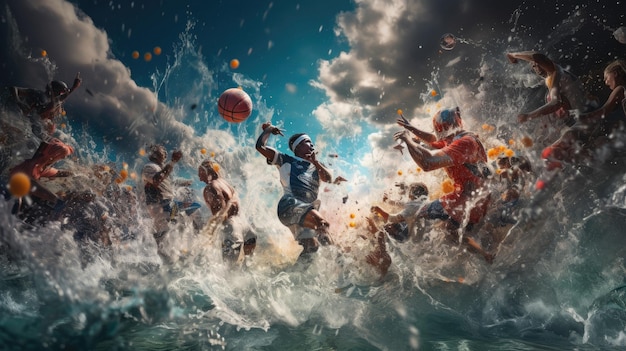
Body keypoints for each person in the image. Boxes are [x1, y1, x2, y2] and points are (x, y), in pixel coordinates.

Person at [394, 107, 494, 263]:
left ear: (445, 128)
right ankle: (485, 255)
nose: (437, 134)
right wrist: (412, 129)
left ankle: (404, 249)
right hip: (477, 200)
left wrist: (407, 140)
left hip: (465, 200)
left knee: (420, 214)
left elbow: (428, 163)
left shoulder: (465, 143)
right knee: (450, 232)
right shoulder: (460, 137)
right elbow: (433, 140)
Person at [255, 122, 334, 260]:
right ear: (298, 147)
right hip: (290, 205)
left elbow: (328, 178)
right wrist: (267, 130)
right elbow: (260, 147)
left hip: (304, 211)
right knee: (322, 224)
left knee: (311, 248)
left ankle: (295, 276)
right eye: (308, 142)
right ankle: (339, 261)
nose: (312, 145)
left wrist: (315, 162)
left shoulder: (316, 166)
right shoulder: (285, 159)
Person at [542, 59, 626, 167]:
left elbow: (603, 111)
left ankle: (551, 153)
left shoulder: (620, 89)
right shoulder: (621, 90)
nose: (605, 82)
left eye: (606, 78)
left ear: (615, 74)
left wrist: (578, 116)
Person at [506, 51, 591, 145]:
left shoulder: (556, 72)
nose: (537, 68)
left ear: (547, 62)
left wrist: (513, 55)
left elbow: (555, 103)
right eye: (534, 66)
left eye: (538, 64)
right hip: (569, 124)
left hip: (578, 124)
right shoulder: (551, 78)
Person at [198, 159, 257, 263]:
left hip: (232, 230)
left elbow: (222, 214)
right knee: (247, 268)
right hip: (247, 228)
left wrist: (209, 232)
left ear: (206, 171)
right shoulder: (225, 183)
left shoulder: (210, 187)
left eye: (200, 173)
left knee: (229, 274)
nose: (199, 178)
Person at [141, 144, 190, 259]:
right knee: (166, 232)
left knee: (179, 226)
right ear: (154, 154)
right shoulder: (149, 167)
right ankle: (165, 260)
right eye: (162, 150)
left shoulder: (160, 169)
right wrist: (172, 162)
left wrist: (182, 183)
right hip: (160, 205)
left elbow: (166, 183)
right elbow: (157, 180)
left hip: (168, 204)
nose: (165, 152)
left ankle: (173, 257)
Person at [10, 73, 82, 140]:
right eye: (61, 93)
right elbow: (14, 89)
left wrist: (74, 87)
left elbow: (62, 97)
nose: (62, 95)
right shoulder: (40, 95)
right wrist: (19, 102)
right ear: (55, 91)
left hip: (39, 126)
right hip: (32, 126)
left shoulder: (53, 101)